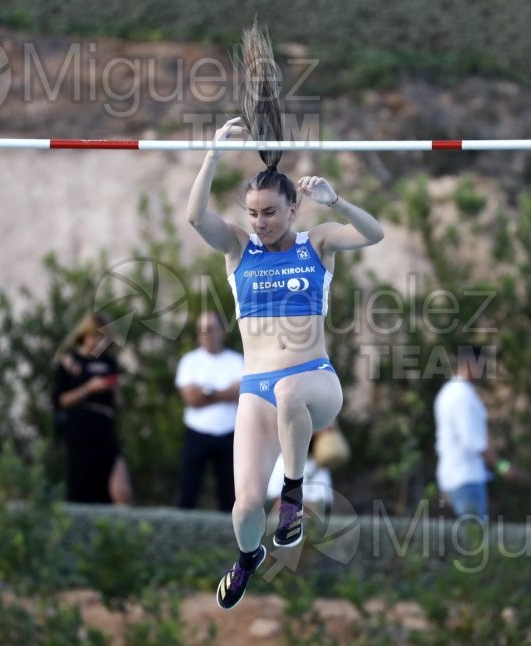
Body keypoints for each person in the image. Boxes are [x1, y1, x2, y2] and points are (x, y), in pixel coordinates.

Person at [185, 24, 384, 610]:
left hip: (315, 380)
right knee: (245, 509)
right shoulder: (237, 251)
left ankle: (293, 497)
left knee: (295, 388)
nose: (259, 223)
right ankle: (250, 557)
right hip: (256, 389)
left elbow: (375, 234)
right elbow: (195, 217)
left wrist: (337, 200)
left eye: (270, 212)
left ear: (292, 207)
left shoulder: (316, 241)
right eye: (251, 213)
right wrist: (212, 155)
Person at [52, 312, 132, 505]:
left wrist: (113, 388)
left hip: (104, 426)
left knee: (120, 489)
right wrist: (88, 389)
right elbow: (59, 400)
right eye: (96, 336)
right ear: (85, 335)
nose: (99, 342)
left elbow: (118, 403)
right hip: (81, 427)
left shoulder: (109, 362)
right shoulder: (70, 362)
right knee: (82, 484)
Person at [434, 348, 515, 522]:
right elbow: (473, 443)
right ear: (471, 365)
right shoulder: (463, 396)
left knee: (464, 540)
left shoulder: (447, 392)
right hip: (466, 479)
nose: (485, 373)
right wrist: (503, 467)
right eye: (484, 367)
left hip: (450, 478)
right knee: (474, 541)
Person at [175, 310, 243, 511]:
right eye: (201, 330)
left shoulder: (237, 361)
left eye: (211, 329)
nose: (206, 334)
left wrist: (206, 391)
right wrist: (224, 392)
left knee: (229, 493)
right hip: (196, 431)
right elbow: (190, 399)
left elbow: (241, 393)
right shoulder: (190, 361)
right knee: (188, 489)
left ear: (223, 331)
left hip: (229, 433)